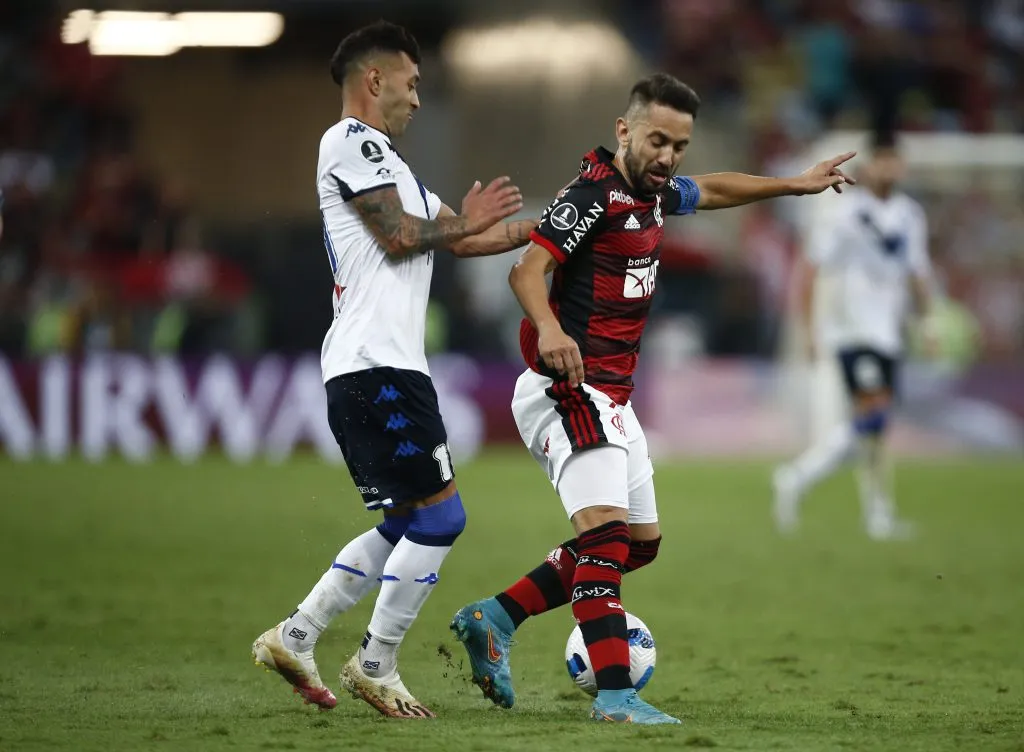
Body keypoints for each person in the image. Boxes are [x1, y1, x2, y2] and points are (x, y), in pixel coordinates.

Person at [449, 73, 857, 725]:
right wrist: (550, 329)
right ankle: (615, 696)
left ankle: (493, 618)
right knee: (606, 540)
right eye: (657, 140)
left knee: (639, 544)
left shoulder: (657, 192)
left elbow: (717, 188)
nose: (668, 155)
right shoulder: (591, 194)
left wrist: (794, 184)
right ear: (624, 131)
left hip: (613, 394)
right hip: (570, 387)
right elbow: (527, 269)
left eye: (679, 144)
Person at [252, 21, 535, 719]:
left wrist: (575, 217)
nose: (417, 97)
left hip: (382, 365)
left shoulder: (392, 166)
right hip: (375, 364)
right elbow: (403, 236)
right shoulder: (347, 141)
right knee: (443, 519)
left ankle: (298, 633)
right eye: (411, 84)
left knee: (408, 519)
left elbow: (470, 240)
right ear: (374, 81)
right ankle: (375, 662)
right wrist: (463, 223)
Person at [773, 133, 935, 540]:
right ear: (870, 165)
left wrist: (927, 324)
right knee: (875, 414)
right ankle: (797, 476)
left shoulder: (910, 215)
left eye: (894, 160)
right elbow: (810, 270)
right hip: (851, 332)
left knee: (876, 428)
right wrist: (808, 329)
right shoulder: (844, 213)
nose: (889, 168)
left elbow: (917, 273)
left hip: (888, 334)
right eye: (881, 160)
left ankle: (877, 514)